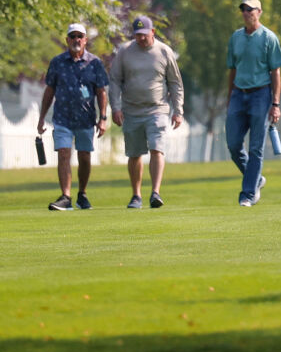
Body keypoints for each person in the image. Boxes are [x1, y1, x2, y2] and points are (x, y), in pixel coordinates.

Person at [110, 15, 184, 209]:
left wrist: (178, 110)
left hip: (157, 109)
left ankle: (155, 192)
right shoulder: (125, 52)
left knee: (156, 148)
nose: (141, 38)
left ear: (153, 32)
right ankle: (136, 195)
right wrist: (115, 108)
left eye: (144, 34)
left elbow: (175, 83)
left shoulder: (164, 52)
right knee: (134, 154)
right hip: (131, 110)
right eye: (137, 35)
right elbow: (115, 81)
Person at [38, 22, 111, 211]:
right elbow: (49, 91)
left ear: (85, 40)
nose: (76, 40)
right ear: (67, 40)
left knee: (84, 157)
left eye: (80, 36)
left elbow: (101, 91)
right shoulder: (57, 62)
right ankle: (66, 197)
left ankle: (82, 194)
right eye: (73, 36)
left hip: (86, 119)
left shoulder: (94, 63)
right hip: (62, 118)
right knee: (64, 154)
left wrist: (103, 118)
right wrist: (41, 118)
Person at [225, 0, 281, 208]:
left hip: (261, 95)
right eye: (243, 9)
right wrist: (229, 96)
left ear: (259, 12)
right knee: (233, 144)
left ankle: (248, 194)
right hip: (238, 95)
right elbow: (232, 69)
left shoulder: (269, 38)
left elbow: (275, 72)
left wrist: (275, 104)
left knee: (256, 148)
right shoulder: (235, 38)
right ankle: (257, 179)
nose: (246, 13)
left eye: (250, 9)